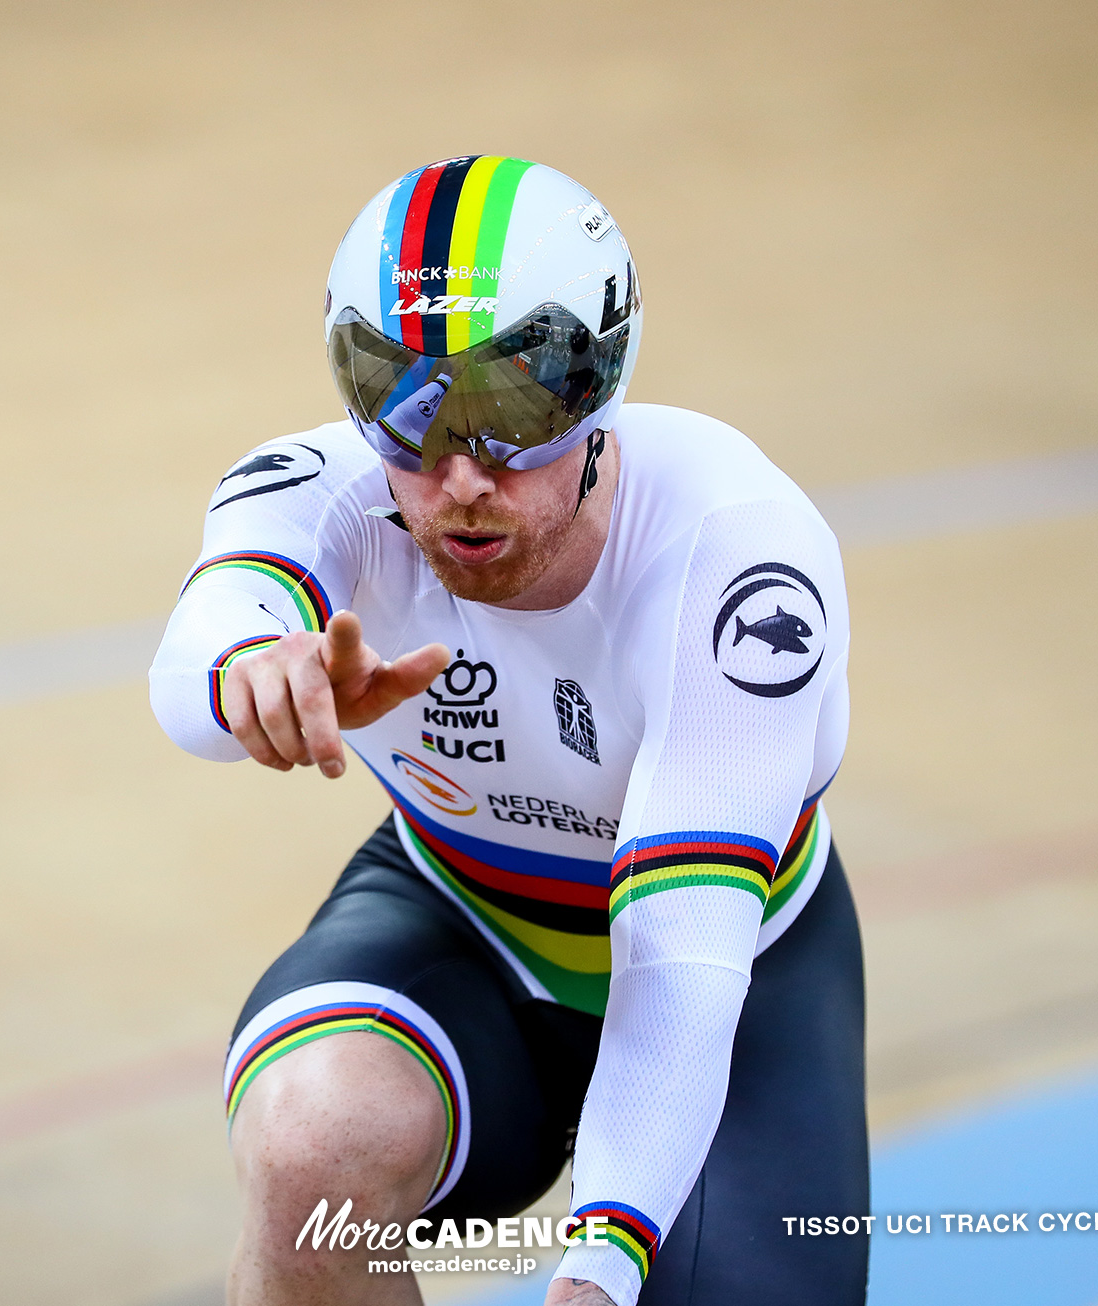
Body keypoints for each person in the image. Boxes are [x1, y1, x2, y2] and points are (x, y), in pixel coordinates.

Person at [150, 156, 866, 1306]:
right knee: (307, 1151)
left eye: (514, 411)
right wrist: (253, 673)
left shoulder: (736, 558)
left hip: (735, 966)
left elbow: (680, 953)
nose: (461, 477)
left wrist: (600, 1265)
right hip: (466, 920)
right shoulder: (322, 490)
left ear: (599, 386)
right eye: (412, 408)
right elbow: (199, 660)